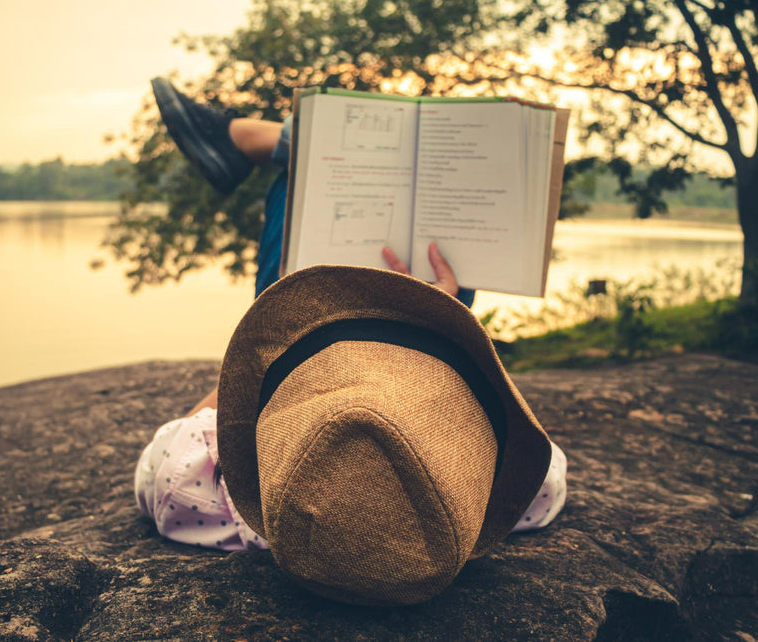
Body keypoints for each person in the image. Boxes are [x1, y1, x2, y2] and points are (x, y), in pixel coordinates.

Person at [134, 80, 568, 606]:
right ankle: (268, 139)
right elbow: (545, 467)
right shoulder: (517, 498)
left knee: (298, 183)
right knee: (438, 246)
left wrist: (432, 326)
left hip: (375, 343)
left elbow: (169, 450)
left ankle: (266, 140)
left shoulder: (200, 491)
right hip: (360, 336)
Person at [149, 77, 478, 306]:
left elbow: (259, 374)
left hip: (302, 360)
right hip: (331, 361)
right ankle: (249, 138)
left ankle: (248, 138)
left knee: (299, 178)